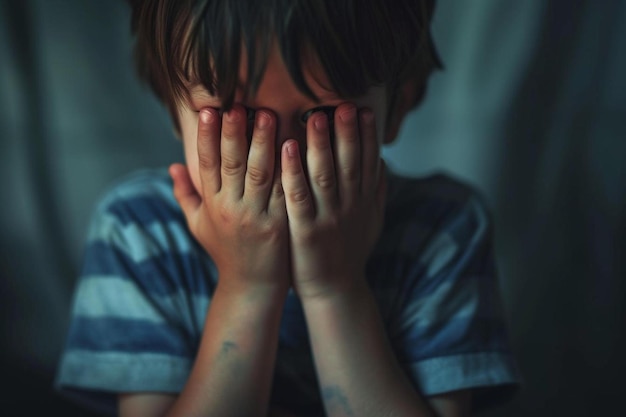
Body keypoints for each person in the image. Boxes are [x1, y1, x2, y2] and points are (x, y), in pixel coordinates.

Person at [56, 0, 521, 416]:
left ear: (397, 106)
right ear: (168, 102)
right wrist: (247, 288)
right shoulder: (136, 235)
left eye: (318, 118)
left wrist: (334, 288)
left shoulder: (442, 232)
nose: (279, 159)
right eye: (241, 123)